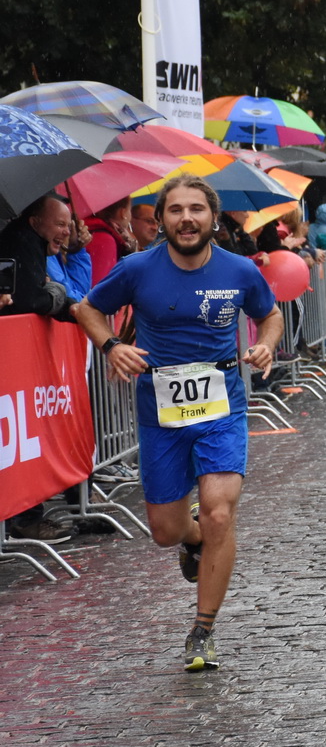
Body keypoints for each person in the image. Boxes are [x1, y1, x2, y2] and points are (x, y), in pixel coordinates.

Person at [71, 175, 283, 671]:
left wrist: (267, 343)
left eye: (196, 210)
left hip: (221, 407)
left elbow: (270, 314)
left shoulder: (239, 270)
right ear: (162, 220)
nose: (186, 219)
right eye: (174, 211)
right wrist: (111, 345)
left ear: (212, 217)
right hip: (160, 412)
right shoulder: (137, 269)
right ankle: (191, 544)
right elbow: (88, 308)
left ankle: (202, 631)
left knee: (218, 513)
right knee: (167, 530)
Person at [0, 195, 77, 320]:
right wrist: (59, 294)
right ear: (34, 222)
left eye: (68, 226)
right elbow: (31, 300)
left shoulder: (29, 239)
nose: (67, 232)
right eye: (60, 224)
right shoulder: (23, 241)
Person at [84, 198, 134, 283]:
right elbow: (100, 285)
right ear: (123, 213)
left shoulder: (90, 229)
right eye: (130, 210)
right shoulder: (105, 239)